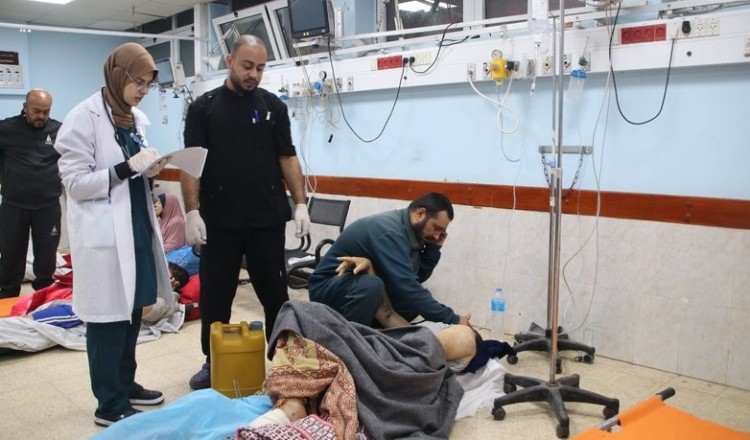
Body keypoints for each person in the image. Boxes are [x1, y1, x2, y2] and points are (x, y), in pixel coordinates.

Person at [181, 34, 310, 390]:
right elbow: (192, 164)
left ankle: (283, 361)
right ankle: (213, 361)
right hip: (220, 222)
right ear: (229, 62)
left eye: (260, 68)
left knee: (275, 295)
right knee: (216, 295)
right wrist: (192, 212)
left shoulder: (273, 107)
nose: (254, 74)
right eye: (247, 66)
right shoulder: (203, 108)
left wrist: (300, 203)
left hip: (266, 220)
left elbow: (287, 157)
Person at [54, 42, 171, 427]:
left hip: (136, 226)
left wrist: (148, 170)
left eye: (148, 84)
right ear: (117, 76)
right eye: (138, 82)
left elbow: (134, 167)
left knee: (133, 311)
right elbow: (75, 184)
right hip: (104, 236)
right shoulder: (82, 118)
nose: (143, 90)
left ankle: (125, 384)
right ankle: (108, 402)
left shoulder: (134, 119)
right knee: (108, 320)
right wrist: (125, 169)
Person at [308, 192, 471, 328]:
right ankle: (353, 340)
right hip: (327, 287)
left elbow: (415, 277)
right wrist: (453, 319)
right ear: (420, 214)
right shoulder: (390, 231)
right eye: (436, 228)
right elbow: (407, 286)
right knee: (374, 286)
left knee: (413, 302)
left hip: (354, 285)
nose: (437, 236)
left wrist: (432, 249)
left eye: (441, 232)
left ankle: (374, 331)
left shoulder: (412, 233)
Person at [0, 89, 62, 299]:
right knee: (11, 255)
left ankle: (43, 299)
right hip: (14, 205)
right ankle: (8, 296)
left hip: (48, 206)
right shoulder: (6, 128)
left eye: (46, 112)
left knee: (46, 256)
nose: (41, 116)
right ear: (25, 107)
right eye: (36, 111)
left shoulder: (59, 131)